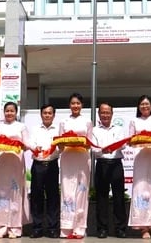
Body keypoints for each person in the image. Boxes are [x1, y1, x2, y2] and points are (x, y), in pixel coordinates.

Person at [0, 102, 30, 238]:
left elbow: (27, 144)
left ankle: (14, 228)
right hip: (2, 161)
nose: (9, 113)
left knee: (15, 192)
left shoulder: (21, 126)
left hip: (16, 161)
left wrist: (18, 145)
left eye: (12, 111)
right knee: (1, 192)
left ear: (16, 112)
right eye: (7, 111)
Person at [128, 95, 151, 239]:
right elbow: (130, 141)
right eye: (142, 104)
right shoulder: (134, 121)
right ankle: (143, 227)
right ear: (138, 107)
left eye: (147, 104)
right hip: (140, 158)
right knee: (140, 189)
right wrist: (140, 140)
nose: (145, 106)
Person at [58, 92, 93, 239]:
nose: (75, 106)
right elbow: (59, 144)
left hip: (82, 158)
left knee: (81, 191)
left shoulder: (87, 122)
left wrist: (81, 143)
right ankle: (66, 228)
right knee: (67, 190)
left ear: (82, 105)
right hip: (67, 158)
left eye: (78, 103)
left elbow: (90, 143)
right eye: (73, 103)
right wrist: (65, 143)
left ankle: (79, 227)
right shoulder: (63, 122)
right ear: (69, 105)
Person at [91, 102, 127, 239]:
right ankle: (102, 228)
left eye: (108, 112)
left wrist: (115, 147)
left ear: (112, 114)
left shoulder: (118, 129)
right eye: (103, 112)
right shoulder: (94, 130)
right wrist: (101, 150)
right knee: (101, 197)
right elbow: (93, 148)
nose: (105, 115)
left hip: (116, 164)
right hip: (101, 163)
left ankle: (120, 228)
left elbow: (123, 144)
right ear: (99, 114)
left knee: (119, 197)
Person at [29, 104, 60, 239]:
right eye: (45, 113)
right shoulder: (35, 129)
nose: (47, 115)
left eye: (50, 113)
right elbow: (30, 142)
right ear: (41, 115)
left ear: (53, 115)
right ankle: (37, 227)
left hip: (52, 165)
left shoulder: (59, 129)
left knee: (53, 197)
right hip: (38, 165)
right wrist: (35, 147)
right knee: (36, 197)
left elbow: (62, 147)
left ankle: (53, 228)